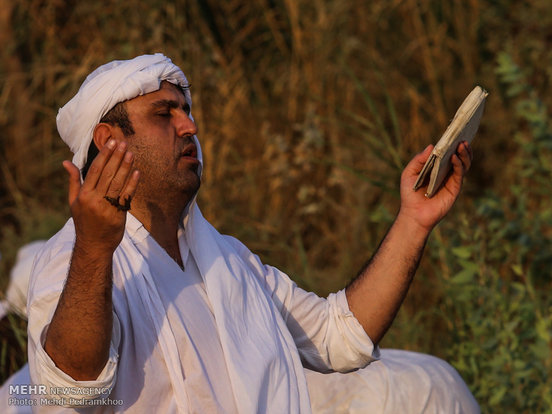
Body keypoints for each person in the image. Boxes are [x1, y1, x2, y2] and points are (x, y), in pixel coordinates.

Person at [23, 53, 479, 413]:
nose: (190, 125)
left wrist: (412, 222)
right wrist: (95, 248)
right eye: (165, 113)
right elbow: (71, 388)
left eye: (187, 110)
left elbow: (339, 337)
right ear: (109, 141)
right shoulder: (72, 259)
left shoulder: (228, 262)